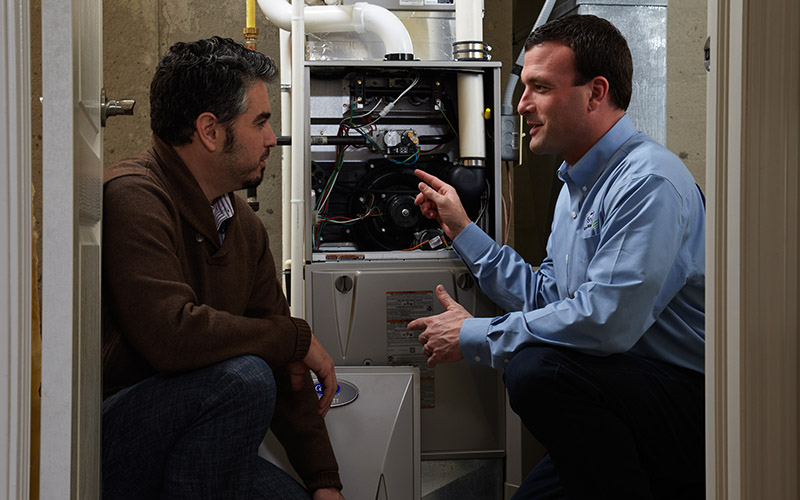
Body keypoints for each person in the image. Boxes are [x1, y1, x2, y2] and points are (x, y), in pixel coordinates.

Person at [408, 15, 705, 500]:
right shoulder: (575, 184)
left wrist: (474, 334)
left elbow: (606, 321)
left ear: (596, 92)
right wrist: (462, 230)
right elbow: (548, 296)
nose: (521, 105)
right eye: (524, 87)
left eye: (539, 88)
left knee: (536, 370)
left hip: (682, 402)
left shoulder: (647, 182)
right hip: (618, 391)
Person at [101, 37, 345, 500]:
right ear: (210, 131)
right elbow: (172, 336)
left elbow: (284, 363)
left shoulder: (242, 225)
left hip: (196, 445)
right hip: (119, 437)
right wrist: (292, 337)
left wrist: (323, 482)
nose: (273, 137)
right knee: (244, 379)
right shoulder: (134, 197)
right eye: (261, 121)